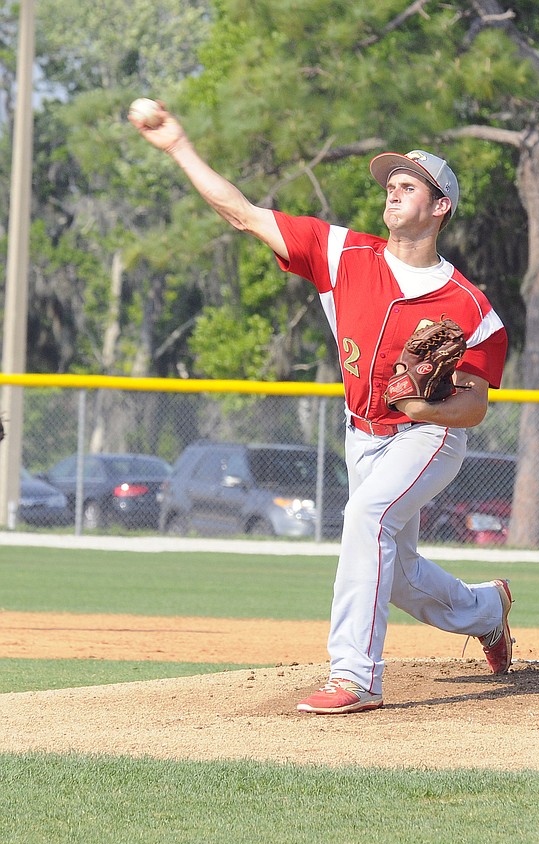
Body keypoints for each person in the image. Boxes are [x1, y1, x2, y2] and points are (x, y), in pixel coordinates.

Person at [130, 102, 512, 714]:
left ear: (440, 207)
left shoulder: (470, 305)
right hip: (361, 433)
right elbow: (243, 214)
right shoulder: (342, 254)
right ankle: (487, 609)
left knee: (366, 518)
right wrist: (178, 147)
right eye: (389, 185)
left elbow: (472, 406)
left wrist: (427, 410)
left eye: (407, 185)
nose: (392, 193)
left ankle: (354, 676)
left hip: (427, 436)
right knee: (399, 571)